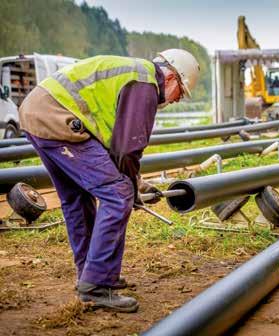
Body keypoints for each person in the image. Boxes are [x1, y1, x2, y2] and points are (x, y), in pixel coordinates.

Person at [18, 49, 200, 313]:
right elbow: (128, 149)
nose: (175, 101)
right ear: (172, 77)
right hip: (56, 117)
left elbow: (116, 147)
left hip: (38, 111)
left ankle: (90, 275)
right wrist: (132, 186)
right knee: (118, 194)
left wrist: (135, 182)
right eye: (179, 94)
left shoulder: (134, 74)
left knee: (77, 198)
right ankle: (97, 283)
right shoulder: (145, 83)